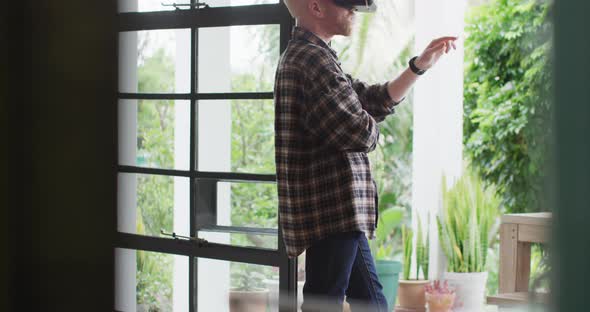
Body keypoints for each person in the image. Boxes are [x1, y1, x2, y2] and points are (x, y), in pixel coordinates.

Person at [274, 0, 457, 311]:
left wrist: (418, 66)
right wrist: (367, 123)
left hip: (339, 212)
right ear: (316, 7)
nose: (354, 12)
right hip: (332, 209)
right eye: (347, 5)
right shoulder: (309, 61)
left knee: (369, 303)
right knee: (327, 302)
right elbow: (359, 131)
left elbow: (371, 100)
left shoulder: (319, 56)